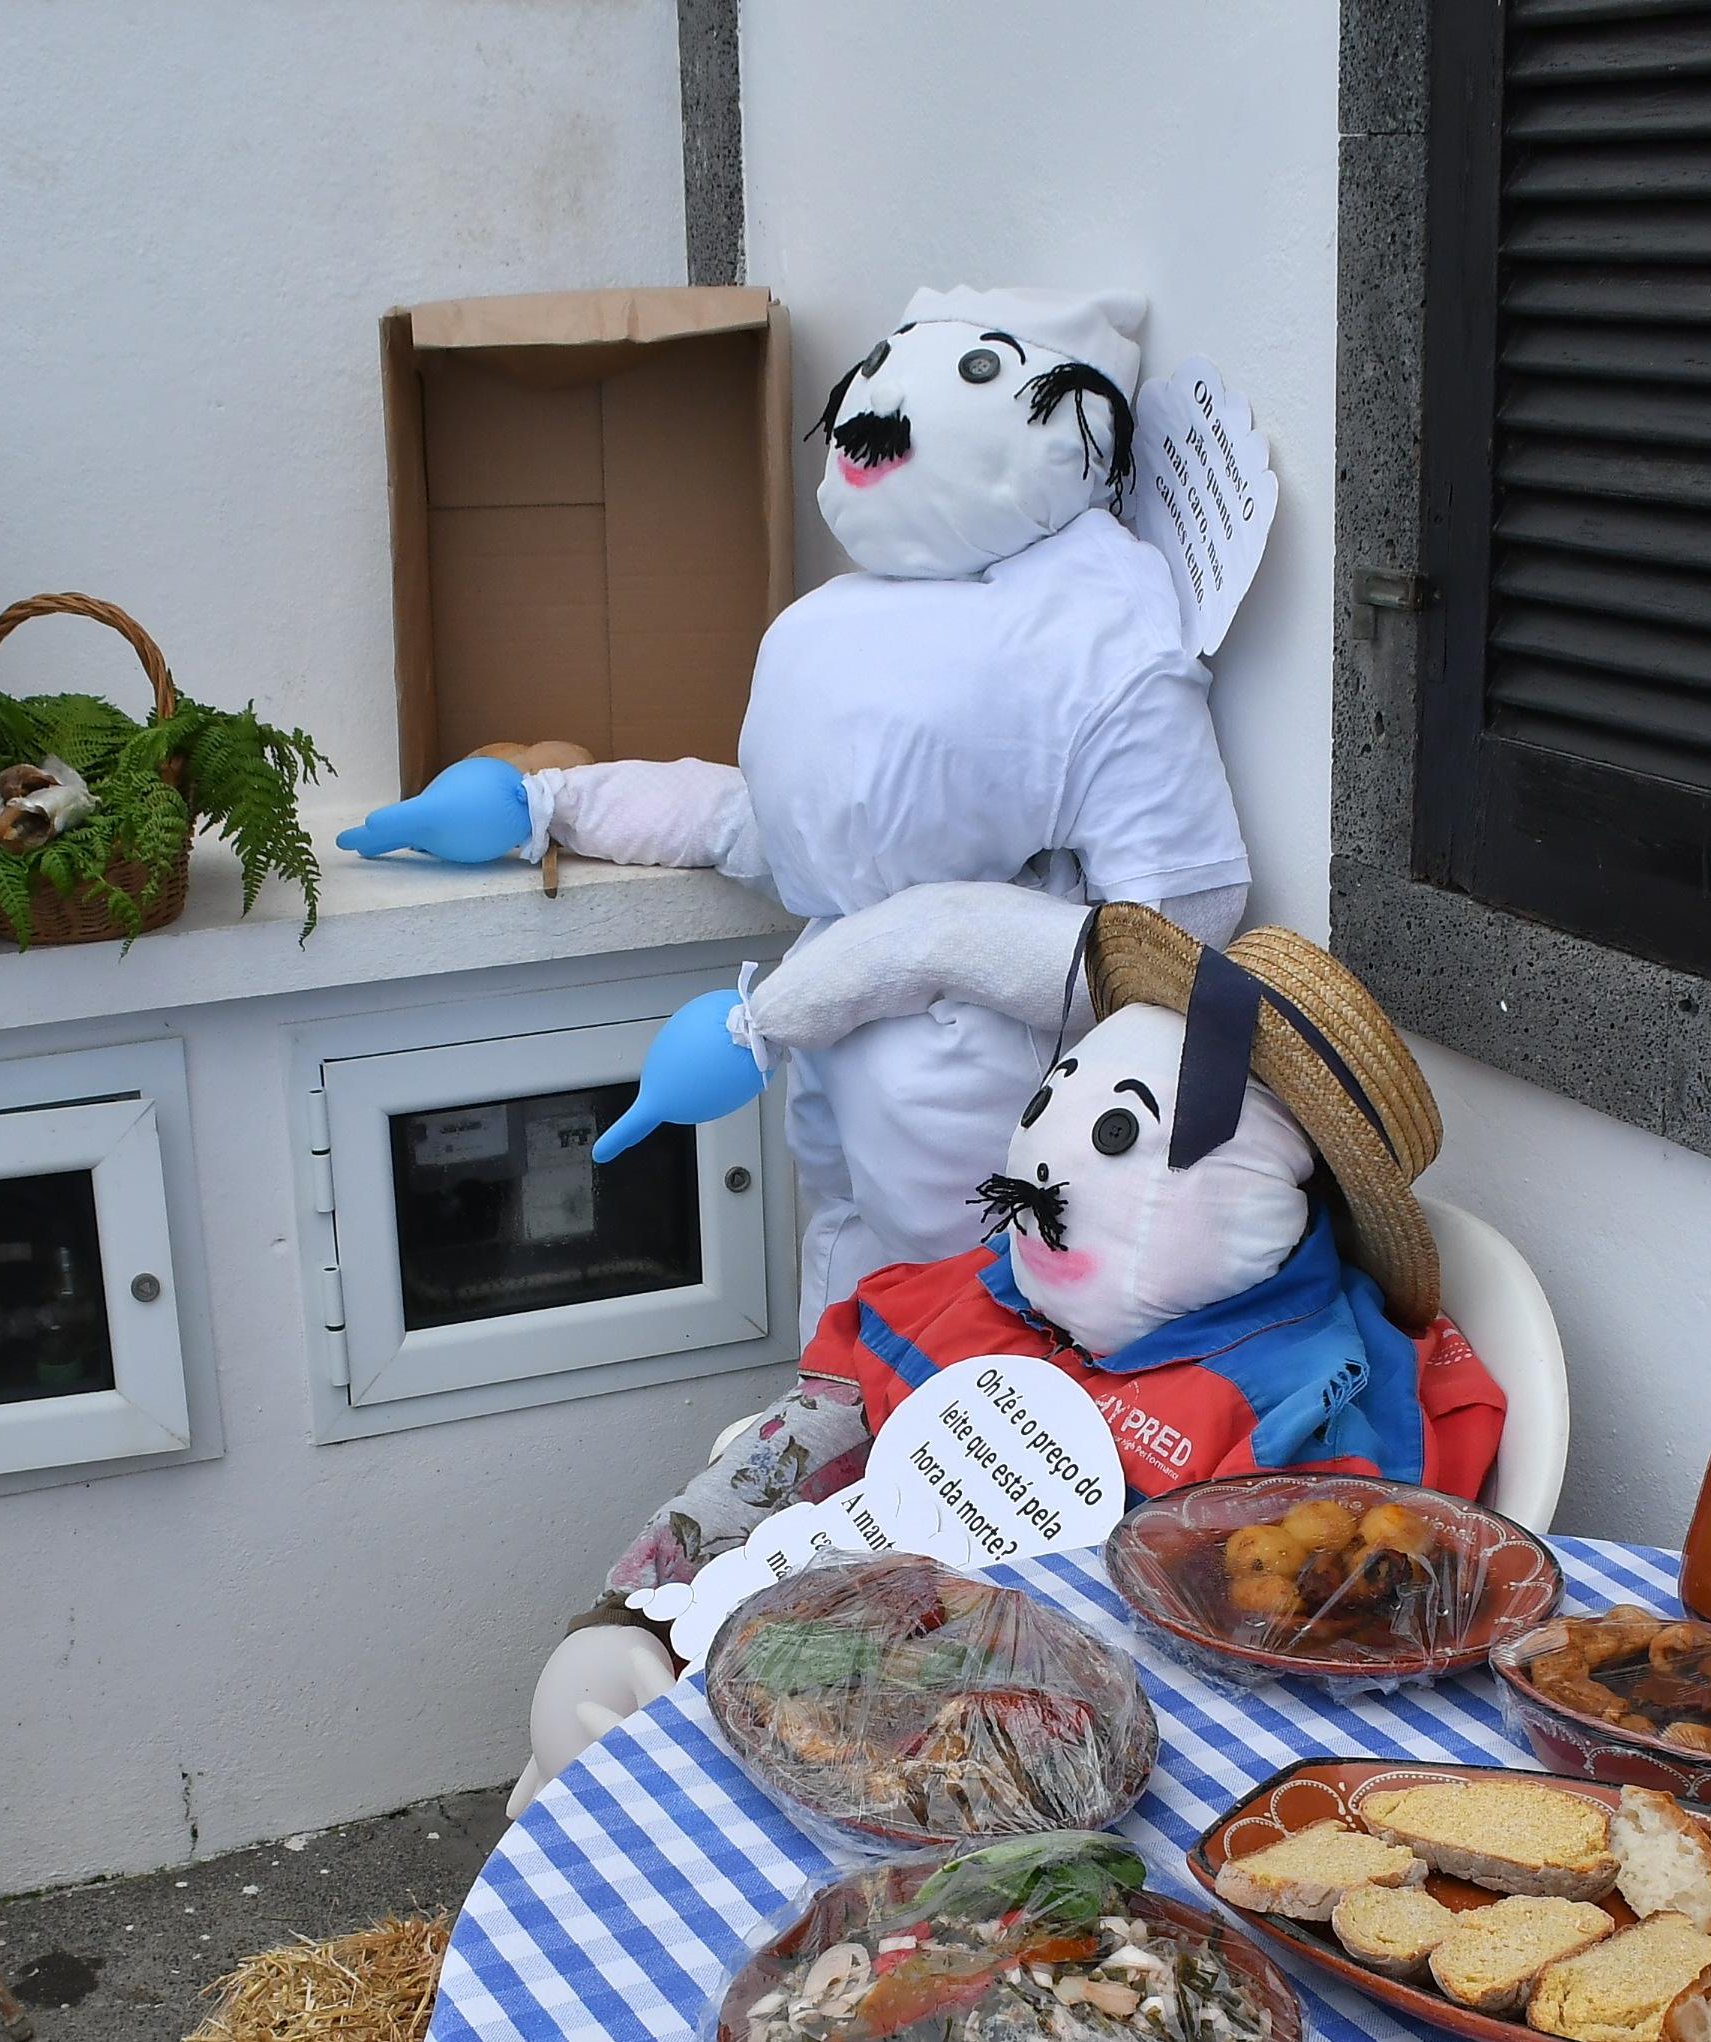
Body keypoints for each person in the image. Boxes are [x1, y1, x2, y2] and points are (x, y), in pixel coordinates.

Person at [338, 287, 1252, 1329]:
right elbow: (771, 828)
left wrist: (903, 950)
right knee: (844, 1276)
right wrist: (551, 802)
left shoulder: (1096, 627)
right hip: (844, 1064)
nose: (873, 401)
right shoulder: (852, 612)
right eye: (888, 355)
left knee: (968, 1322)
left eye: (976, 372)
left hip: (980, 1080)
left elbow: (1178, 931)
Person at [524, 911, 1503, 1800]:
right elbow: (800, 1445)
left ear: (1273, 1194)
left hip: (1023, 1786)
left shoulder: (1297, 1401)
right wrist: (633, 1615)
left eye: (1117, 1135)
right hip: (775, 1679)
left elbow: (1286, 1655)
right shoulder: (975, 1298)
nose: (1037, 1178)